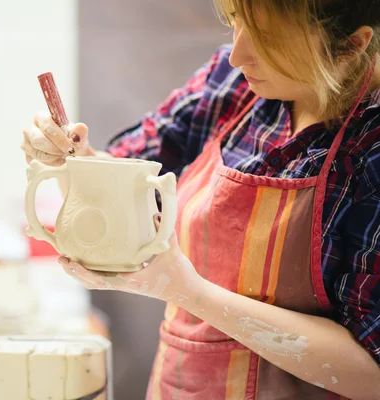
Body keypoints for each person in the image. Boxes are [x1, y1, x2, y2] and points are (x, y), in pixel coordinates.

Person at [21, 1, 380, 398]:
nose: (237, 54)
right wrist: (77, 158)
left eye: (269, 40)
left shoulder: (371, 150)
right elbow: (129, 183)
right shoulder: (235, 83)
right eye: (235, 23)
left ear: (352, 45)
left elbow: (374, 371)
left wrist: (190, 293)